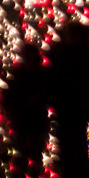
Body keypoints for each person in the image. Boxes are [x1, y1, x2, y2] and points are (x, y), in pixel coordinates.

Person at [48, 21, 89, 178]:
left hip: (69, 107)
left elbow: (59, 75)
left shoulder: (69, 55)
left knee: (71, 149)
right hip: (78, 107)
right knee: (77, 147)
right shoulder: (86, 55)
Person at [3, 41, 49, 178]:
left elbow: (46, 94)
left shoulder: (41, 74)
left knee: (34, 154)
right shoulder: (18, 74)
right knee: (21, 153)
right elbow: (9, 95)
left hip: (36, 120)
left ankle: (32, 174)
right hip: (21, 120)